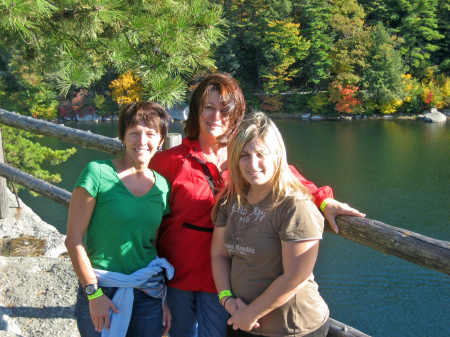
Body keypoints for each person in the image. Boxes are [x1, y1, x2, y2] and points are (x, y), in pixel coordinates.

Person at [149, 73, 365, 337]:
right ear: (196, 110)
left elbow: (290, 178)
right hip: (180, 275)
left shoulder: (247, 156)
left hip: (224, 281)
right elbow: (146, 220)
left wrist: (325, 200)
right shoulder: (169, 161)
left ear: (236, 114)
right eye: (209, 107)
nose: (216, 116)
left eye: (225, 110)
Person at [211, 112, 329, 337]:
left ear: (277, 155)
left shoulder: (295, 205)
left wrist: (250, 314)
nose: (253, 164)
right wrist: (226, 299)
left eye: (261, 154)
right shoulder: (231, 200)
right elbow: (219, 255)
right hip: (240, 321)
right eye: (245, 155)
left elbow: (296, 276)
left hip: (292, 329)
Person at [65, 102, 174, 337]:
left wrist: (162, 298)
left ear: (161, 140)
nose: (142, 141)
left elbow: (151, 245)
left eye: (151, 134)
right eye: (134, 132)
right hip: (100, 288)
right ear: (123, 137)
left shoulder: (163, 186)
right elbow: (73, 240)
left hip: (147, 292)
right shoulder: (96, 173)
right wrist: (93, 293)